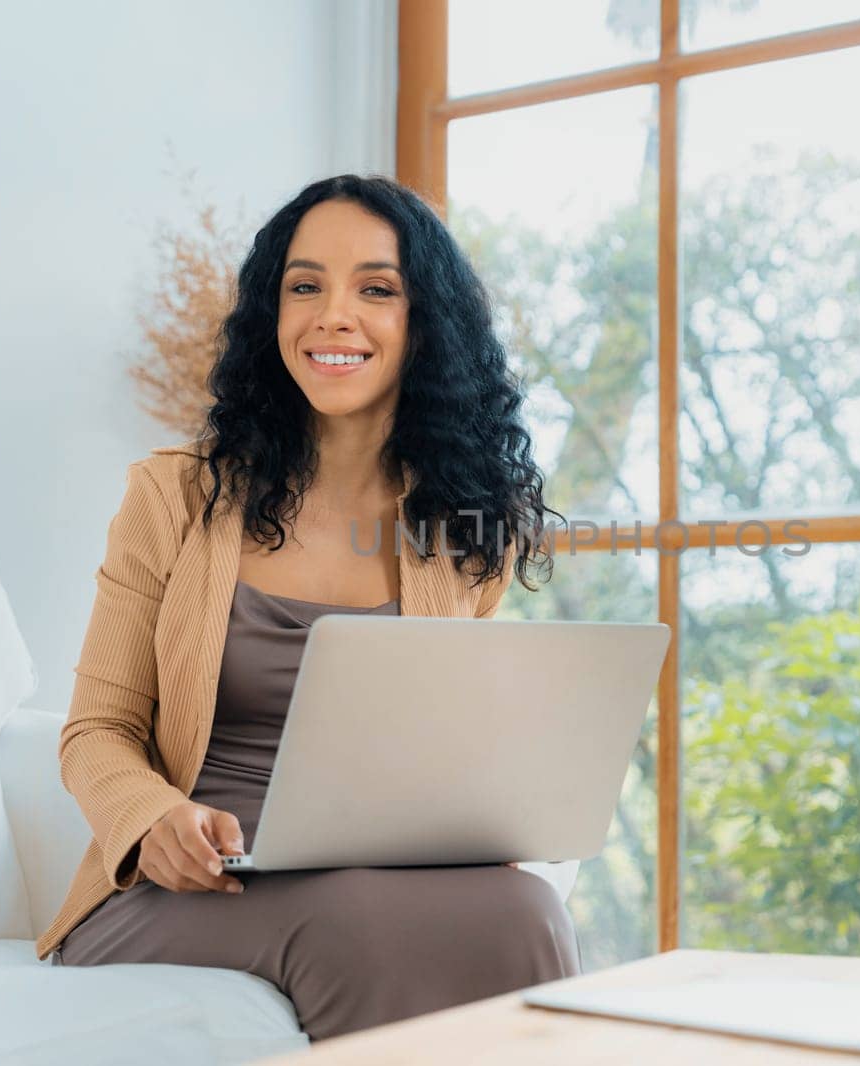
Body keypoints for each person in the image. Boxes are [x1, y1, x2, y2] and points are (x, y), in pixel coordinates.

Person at [35, 173, 578, 1039]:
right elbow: (93, 731)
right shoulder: (173, 498)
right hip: (186, 883)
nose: (333, 315)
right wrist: (154, 820)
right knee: (357, 922)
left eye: (376, 289)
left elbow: (442, 750)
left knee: (527, 908)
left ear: (424, 323)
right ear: (272, 312)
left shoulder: (464, 533)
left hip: (373, 865)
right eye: (304, 286)